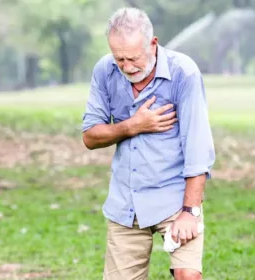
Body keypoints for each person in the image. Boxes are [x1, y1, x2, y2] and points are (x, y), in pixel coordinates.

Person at [81, 7, 216, 280]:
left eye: (133, 58)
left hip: (175, 198)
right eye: (120, 59)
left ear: (153, 44)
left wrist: (191, 211)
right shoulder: (105, 71)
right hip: (126, 201)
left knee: (188, 274)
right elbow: (90, 136)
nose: (127, 67)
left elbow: (198, 149)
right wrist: (133, 126)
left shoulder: (183, 73)